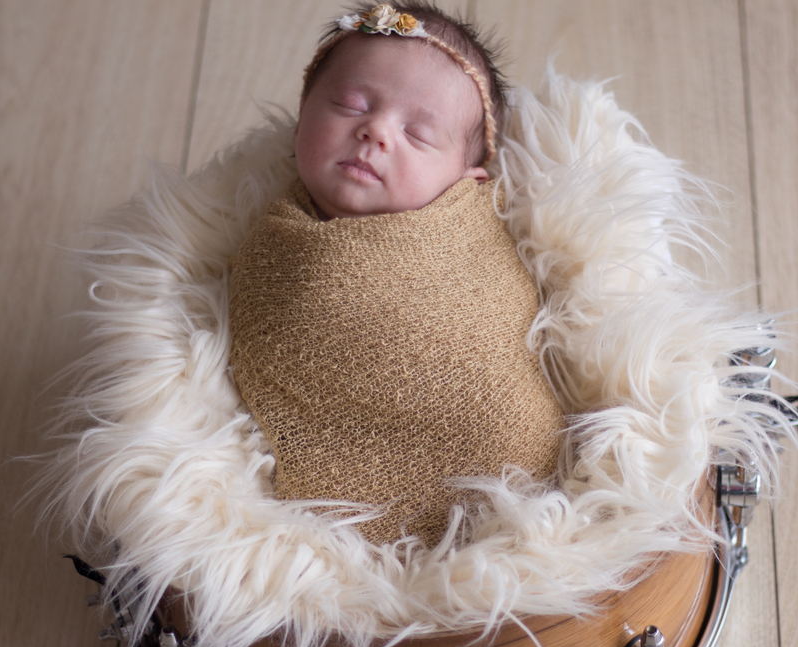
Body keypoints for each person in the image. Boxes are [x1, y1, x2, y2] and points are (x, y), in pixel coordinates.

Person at [228, 4, 566, 547]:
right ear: (301, 115)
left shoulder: (467, 230)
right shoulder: (274, 246)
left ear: (467, 180)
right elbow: (268, 336)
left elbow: (504, 328)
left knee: (512, 437)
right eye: (349, 104)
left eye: (418, 133)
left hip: (500, 445)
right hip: (339, 454)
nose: (376, 132)